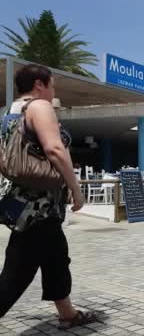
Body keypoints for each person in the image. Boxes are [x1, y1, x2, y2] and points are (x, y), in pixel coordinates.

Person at [0, 65, 96, 328]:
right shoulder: (39, 107)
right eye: (52, 85)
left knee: (55, 258)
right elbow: (54, 149)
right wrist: (75, 188)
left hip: (24, 201)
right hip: (39, 206)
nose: (53, 91)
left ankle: (68, 314)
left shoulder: (10, 113)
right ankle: (68, 314)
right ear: (39, 84)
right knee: (17, 273)